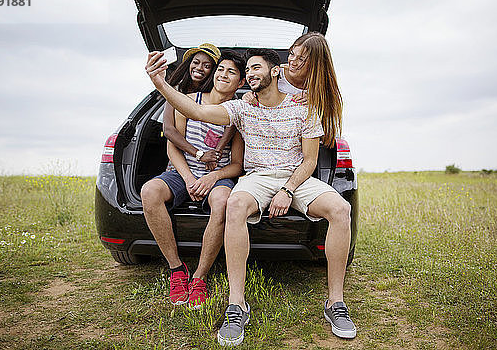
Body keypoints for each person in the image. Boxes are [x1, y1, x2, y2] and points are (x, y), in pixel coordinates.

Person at [145, 48, 356, 345]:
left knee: (340, 209)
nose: (251, 74)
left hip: (295, 177)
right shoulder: (242, 108)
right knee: (235, 205)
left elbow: (310, 161)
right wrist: (161, 84)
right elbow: (198, 112)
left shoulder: (303, 108)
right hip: (256, 177)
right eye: (248, 71)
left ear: (275, 71)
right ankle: (237, 304)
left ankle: (336, 303)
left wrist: (287, 190)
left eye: (257, 67)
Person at [141, 51, 246, 309]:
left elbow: (237, 165)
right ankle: (177, 269)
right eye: (220, 69)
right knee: (149, 191)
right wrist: (189, 178)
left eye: (231, 72)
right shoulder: (189, 100)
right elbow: (171, 147)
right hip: (182, 173)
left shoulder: (239, 115)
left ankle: (199, 277)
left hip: (216, 178)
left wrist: (213, 176)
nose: (222, 74)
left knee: (222, 201)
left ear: (241, 83)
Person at [243, 32, 343, 148]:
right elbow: (256, 95)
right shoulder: (275, 74)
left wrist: (315, 103)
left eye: (301, 59)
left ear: (315, 64)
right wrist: (249, 97)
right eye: (291, 54)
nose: (292, 62)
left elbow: (328, 134)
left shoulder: (322, 91)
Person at [164, 43, 235, 170]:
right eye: (195, 62)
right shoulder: (176, 92)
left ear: (213, 71)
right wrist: (199, 154)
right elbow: (168, 130)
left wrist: (217, 152)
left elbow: (233, 122)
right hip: (181, 163)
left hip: (212, 167)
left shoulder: (223, 96)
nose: (199, 68)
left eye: (206, 66)